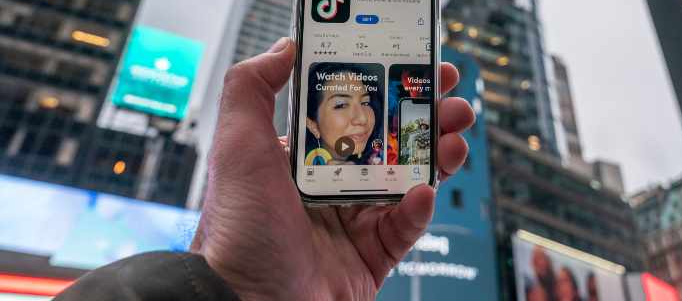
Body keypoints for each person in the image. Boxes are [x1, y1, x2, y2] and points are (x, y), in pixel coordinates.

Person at [55, 38, 475, 300]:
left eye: (365, 103)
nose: (360, 117)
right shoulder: (290, 180)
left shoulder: (389, 167)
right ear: (310, 122)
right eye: (341, 104)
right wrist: (235, 284)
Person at [305, 63, 383, 165]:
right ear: (312, 125)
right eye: (341, 105)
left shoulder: (381, 163)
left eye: (365, 103)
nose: (362, 118)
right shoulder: (289, 167)